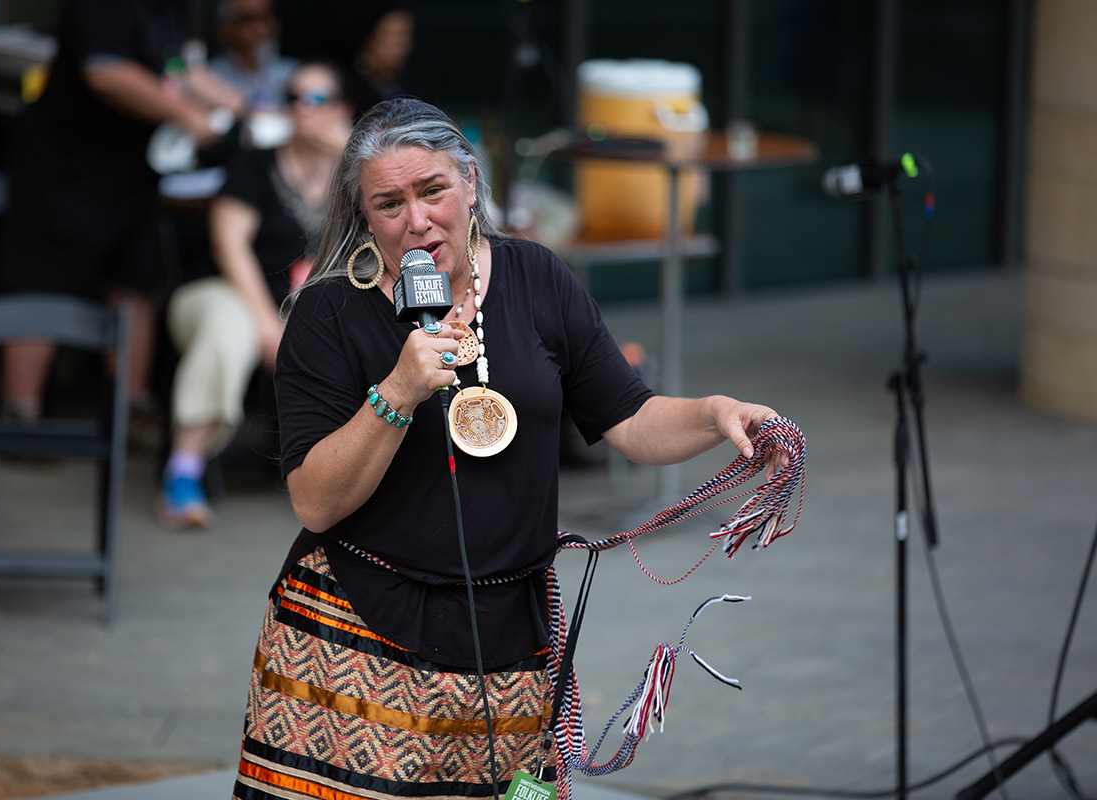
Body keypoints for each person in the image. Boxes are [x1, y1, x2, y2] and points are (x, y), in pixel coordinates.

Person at [231, 97, 788, 799]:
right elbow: (314, 500)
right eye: (389, 203)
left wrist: (718, 412)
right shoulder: (329, 310)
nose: (417, 219)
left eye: (432, 190)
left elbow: (631, 417)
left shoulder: (537, 277)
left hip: (513, 644)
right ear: (364, 215)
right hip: (353, 636)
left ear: (470, 181)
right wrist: (398, 393)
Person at [0, 0, 229, 428]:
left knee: (134, 283)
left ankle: (130, 413)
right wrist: (185, 115)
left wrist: (244, 108)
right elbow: (105, 74)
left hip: (132, 169)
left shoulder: (169, 11)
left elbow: (178, 69)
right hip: (67, 166)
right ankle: (19, 417)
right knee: (44, 281)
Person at [157, 61, 353, 528]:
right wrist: (267, 321)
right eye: (293, 98)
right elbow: (230, 245)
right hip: (225, 296)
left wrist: (353, 154)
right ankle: (182, 474)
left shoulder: (358, 176)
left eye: (318, 98)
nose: (303, 108)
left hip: (315, 311)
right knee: (231, 328)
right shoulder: (255, 163)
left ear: (344, 110)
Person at [208, 0, 298, 113]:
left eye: (264, 18)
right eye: (248, 19)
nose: (259, 28)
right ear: (225, 28)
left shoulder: (293, 72)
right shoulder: (211, 75)